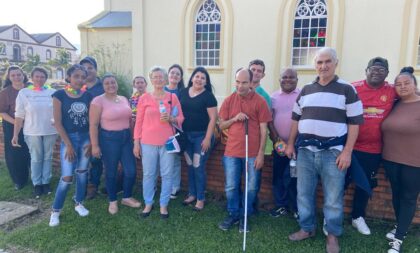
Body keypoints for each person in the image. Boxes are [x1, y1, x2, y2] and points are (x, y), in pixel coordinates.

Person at [286, 47, 363, 253]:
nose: (323, 66)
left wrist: (347, 152)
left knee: (333, 197)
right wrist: (291, 144)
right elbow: (295, 119)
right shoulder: (306, 90)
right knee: (303, 193)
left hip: (333, 152)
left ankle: (332, 235)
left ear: (336, 63)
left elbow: (355, 123)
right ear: (315, 65)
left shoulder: (347, 89)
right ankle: (307, 228)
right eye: (319, 62)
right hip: (305, 151)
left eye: (327, 61)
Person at [218, 68, 272, 232]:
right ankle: (233, 214)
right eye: (237, 82)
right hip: (232, 152)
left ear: (251, 82)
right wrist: (235, 119)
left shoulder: (260, 101)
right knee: (231, 187)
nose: (240, 86)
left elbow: (264, 130)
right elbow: (221, 125)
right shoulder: (229, 100)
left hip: (253, 153)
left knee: (251, 187)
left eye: (244, 82)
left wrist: (261, 154)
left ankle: (245, 217)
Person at [350, 57, 396, 235]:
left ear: (387, 74)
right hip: (349, 146)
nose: (376, 72)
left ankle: (357, 217)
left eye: (381, 70)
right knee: (340, 183)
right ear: (366, 70)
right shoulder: (353, 88)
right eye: (373, 69)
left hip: (373, 149)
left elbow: (412, 95)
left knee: (365, 184)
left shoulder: (392, 91)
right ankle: (333, 217)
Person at [133, 66, 184, 219]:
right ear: (151, 79)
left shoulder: (172, 97)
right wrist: (136, 142)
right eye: (155, 77)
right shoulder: (144, 98)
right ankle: (148, 203)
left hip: (167, 141)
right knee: (149, 174)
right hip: (147, 142)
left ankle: (163, 204)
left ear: (165, 79)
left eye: (161, 77)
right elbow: (138, 122)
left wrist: (172, 118)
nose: (158, 80)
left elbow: (181, 118)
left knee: (167, 174)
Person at [90, 74, 141, 215]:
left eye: (113, 82)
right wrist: (95, 145)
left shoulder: (124, 99)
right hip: (109, 139)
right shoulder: (98, 101)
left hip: (126, 137)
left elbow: (129, 118)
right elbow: (93, 125)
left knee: (131, 170)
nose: (111, 85)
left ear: (117, 84)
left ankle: (127, 197)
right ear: (103, 85)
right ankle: (112, 200)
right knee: (111, 171)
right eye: (107, 83)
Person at [382, 67, 420, 253]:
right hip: (391, 158)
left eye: (407, 83)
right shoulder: (395, 104)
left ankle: (398, 240)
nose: (403, 87)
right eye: (398, 84)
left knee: (408, 198)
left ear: (415, 85)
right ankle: (400, 227)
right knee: (396, 194)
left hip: (414, 162)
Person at [49, 64, 92, 227]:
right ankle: (55, 211)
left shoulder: (87, 96)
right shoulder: (59, 95)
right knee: (67, 177)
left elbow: (92, 121)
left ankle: (79, 202)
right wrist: (68, 145)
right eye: (76, 76)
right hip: (69, 139)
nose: (80, 79)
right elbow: (58, 123)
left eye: (83, 77)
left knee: (82, 173)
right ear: (69, 77)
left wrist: (92, 142)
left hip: (85, 138)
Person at [12, 67, 57, 199]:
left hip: (50, 130)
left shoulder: (52, 92)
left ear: (46, 78)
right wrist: (15, 134)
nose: (39, 79)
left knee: (48, 156)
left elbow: (58, 111)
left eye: (42, 77)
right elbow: (19, 115)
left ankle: (46, 182)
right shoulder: (24, 92)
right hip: (32, 131)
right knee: (36, 157)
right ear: (31, 78)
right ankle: (37, 184)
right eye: (36, 76)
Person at [179, 67, 217, 211]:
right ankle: (192, 194)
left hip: (201, 136)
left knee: (198, 166)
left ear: (206, 82)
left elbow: (214, 118)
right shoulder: (183, 92)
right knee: (189, 165)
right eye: (197, 76)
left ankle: (201, 198)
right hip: (186, 136)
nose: (199, 79)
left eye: (203, 78)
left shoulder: (208, 96)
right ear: (192, 78)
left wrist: (207, 138)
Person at [267, 68, 300, 218]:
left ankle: (296, 208)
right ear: (279, 80)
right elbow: (269, 121)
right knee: (278, 176)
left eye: (291, 77)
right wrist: (278, 141)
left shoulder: (302, 96)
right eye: (284, 77)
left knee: (295, 177)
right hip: (279, 144)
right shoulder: (273, 97)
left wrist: (293, 143)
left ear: (297, 80)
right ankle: (281, 206)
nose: (287, 80)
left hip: (298, 145)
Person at [0, 66, 30, 190]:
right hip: (11, 124)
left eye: (19, 74)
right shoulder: (5, 92)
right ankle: (19, 180)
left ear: (23, 75)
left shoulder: (31, 88)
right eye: (13, 75)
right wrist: (17, 123)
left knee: (30, 151)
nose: (16, 77)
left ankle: (37, 177)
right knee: (15, 153)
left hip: (31, 124)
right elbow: (2, 112)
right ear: (9, 77)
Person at [80, 56, 105, 199]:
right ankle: (81, 185)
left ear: (96, 70)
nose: (87, 71)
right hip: (81, 129)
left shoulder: (103, 87)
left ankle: (93, 185)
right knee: (82, 159)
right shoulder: (76, 86)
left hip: (99, 128)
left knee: (95, 159)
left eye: (90, 68)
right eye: (84, 68)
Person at [166, 64, 185, 199]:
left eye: (177, 74)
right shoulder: (161, 90)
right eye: (172, 73)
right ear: (168, 75)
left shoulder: (183, 93)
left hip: (177, 130)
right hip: (161, 129)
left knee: (175, 159)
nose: (174, 76)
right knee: (162, 159)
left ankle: (174, 187)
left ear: (181, 77)